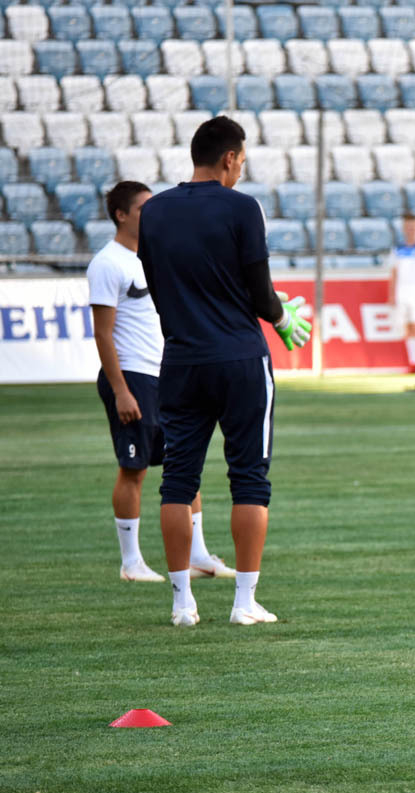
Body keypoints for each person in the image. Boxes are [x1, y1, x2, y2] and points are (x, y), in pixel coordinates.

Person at [138, 116, 312, 626]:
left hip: (181, 358)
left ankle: (181, 605)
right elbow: (259, 292)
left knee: (177, 481)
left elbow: (159, 284)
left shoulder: (154, 211)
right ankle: (243, 602)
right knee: (250, 480)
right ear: (231, 158)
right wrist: (282, 319)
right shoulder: (242, 206)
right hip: (239, 357)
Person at [87, 181, 234, 583]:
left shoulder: (155, 256)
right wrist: (120, 389)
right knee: (133, 469)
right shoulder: (107, 263)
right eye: (142, 209)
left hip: (168, 371)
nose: (152, 216)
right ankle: (131, 562)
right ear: (121, 214)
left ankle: (198, 554)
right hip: (132, 376)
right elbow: (103, 333)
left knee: (185, 461)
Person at [388, 213, 415, 371]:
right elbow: (394, 273)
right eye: (408, 227)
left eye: (414, 227)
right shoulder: (397, 249)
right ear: (404, 229)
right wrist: (391, 294)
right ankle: (413, 361)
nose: (411, 230)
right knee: (407, 327)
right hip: (402, 292)